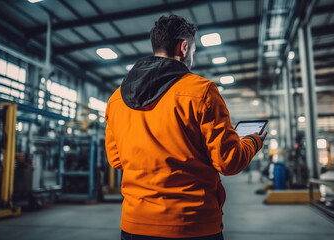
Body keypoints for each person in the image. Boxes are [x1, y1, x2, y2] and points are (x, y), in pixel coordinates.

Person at [105, 15, 267, 240]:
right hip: (192, 225)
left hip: (135, 226)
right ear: (183, 48)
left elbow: (116, 160)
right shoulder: (201, 91)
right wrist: (253, 140)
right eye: (193, 51)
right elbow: (228, 162)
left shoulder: (116, 99)